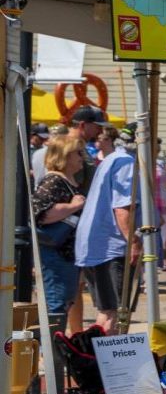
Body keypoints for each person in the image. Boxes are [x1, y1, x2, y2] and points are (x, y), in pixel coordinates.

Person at [74, 135, 137, 334]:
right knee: (115, 312)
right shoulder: (125, 162)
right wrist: (133, 242)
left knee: (107, 310)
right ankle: (104, 362)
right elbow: (122, 208)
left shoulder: (113, 159)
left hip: (98, 244)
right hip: (111, 246)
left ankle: (98, 360)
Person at [32, 137, 86, 336]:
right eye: (78, 153)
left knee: (63, 303)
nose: (82, 157)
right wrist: (74, 206)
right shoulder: (54, 180)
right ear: (64, 156)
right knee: (56, 305)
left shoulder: (65, 180)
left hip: (66, 255)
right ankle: (52, 356)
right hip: (55, 255)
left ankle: (54, 354)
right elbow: (41, 214)